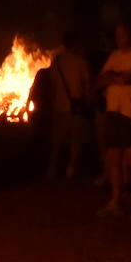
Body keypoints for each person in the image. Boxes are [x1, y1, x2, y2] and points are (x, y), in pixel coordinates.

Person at [95, 24, 131, 219]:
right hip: (112, 110)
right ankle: (115, 201)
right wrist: (116, 77)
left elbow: (130, 78)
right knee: (113, 157)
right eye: (117, 35)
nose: (119, 39)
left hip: (130, 110)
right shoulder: (114, 56)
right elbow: (99, 82)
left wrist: (112, 76)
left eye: (122, 35)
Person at [45, 30, 93, 180]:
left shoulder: (57, 63)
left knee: (56, 141)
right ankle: (70, 169)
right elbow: (87, 85)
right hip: (76, 108)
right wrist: (89, 102)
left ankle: (51, 169)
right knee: (76, 140)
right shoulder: (82, 62)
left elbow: (52, 85)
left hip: (60, 107)